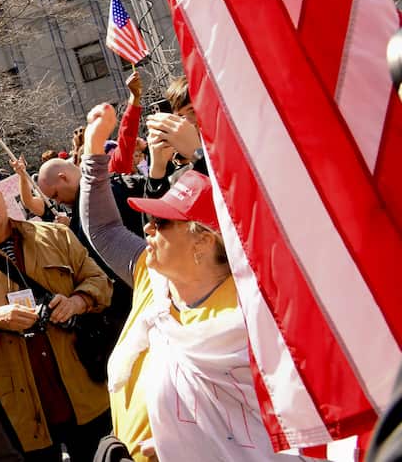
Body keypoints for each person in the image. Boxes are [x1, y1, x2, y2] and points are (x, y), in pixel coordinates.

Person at [79, 102, 286, 462]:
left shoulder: (251, 308)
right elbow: (103, 228)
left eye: (162, 223)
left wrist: (191, 448)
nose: (147, 228)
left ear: (203, 240)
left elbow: (271, 429)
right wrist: (93, 149)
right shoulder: (153, 275)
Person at [0, 170, 113, 462]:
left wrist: (76, 303)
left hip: (85, 393)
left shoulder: (55, 235)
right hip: (21, 414)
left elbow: (101, 282)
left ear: (2, 196)